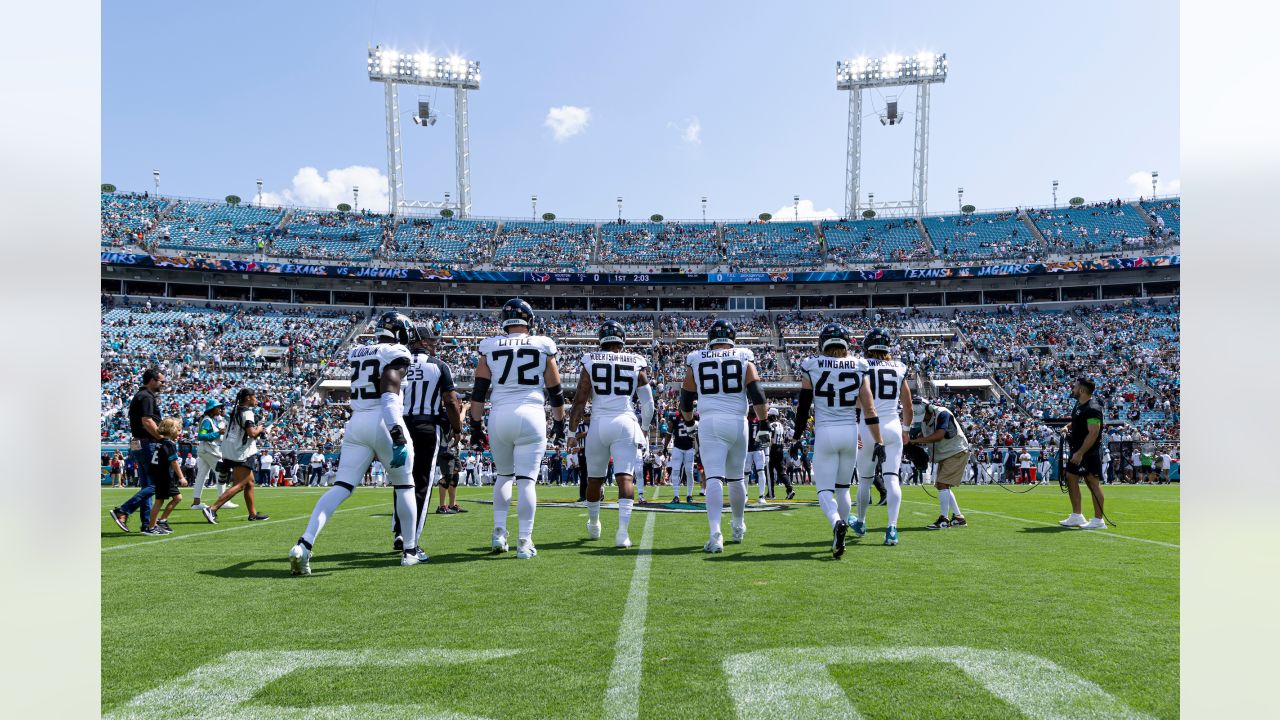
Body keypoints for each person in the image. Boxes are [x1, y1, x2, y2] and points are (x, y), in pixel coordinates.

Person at [289, 311, 423, 575]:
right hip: (384, 420)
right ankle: (410, 550)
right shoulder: (396, 352)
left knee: (341, 487)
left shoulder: (358, 351)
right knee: (405, 485)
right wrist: (397, 432)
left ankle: (305, 543)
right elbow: (390, 392)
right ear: (401, 332)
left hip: (357, 421)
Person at [468, 299, 565, 559]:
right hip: (531, 413)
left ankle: (499, 533)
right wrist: (559, 422)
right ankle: (524, 541)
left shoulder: (490, 346)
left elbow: (478, 392)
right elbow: (555, 391)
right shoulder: (542, 344)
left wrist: (475, 426)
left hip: (500, 414)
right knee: (526, 482)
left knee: (503, 476)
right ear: (529, 321)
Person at [679, 319, 771, 552]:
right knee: (737, 478)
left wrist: (690, 424)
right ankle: (738, 526)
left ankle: (715, 534)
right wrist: (763, 423)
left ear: (710, 339)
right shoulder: (743, 356)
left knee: (713, 479)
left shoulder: (697, 357)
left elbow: (686, 400)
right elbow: (757, 393)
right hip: (737, 422)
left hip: (710, 421)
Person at [793, 324, 883, 558]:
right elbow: (870, 408)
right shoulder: (859, 365)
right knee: (843, 489)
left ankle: (836, 523)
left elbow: (803, 407)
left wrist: (796, 436)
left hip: (825, 432)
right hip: (850, 432)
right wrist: (879, 441)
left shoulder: (811, 364)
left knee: (824, 491)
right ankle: (840, 528)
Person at [567, 320, 654, 548]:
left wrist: (571, 431)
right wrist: (644, 429)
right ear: (621, 340)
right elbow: (649, 405)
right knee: (625, 477)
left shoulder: (591, 360)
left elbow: (580, 399)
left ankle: (594, 523)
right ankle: (622, 534)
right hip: (625, 421)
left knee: (594, 478)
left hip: (598, 423)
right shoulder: (635, 361)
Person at [393, 321, 462, 546]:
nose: (435, 345)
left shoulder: (395, 364)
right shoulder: (438, 365)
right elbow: (450, 401)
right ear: (422, 342)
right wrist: (457, 428)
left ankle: (399, 531)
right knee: (421, 482)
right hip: (425, 427)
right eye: (432, 341)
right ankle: (411, 537)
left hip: (399, 427)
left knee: (403, 480)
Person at [852, 328, 911, 545]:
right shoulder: (899, 367)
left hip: (869, 426)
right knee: (892, 478)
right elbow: (908, 404)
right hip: (893, 424)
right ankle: (892, 528)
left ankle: (860, 521)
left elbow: (857, 401)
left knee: (865, 480)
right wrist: (906, 429)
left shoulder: (861, 365)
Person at [201, 388, 271, 523]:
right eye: (255, 396)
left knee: (250, 483)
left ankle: (253, 514)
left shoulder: (236, 410)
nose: (257, 399)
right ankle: (212, 508)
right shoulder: (247, 412)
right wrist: (261, 429)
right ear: (248, 398)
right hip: (241, 452)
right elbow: (252, 433)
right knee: (240, 484)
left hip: (230, 450)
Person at [109, 368, 166, 533]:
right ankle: (123, 510)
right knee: (156, 484)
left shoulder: (140, 396)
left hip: (138, 443)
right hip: (147, 443)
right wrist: (161, 438)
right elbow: (147, 421)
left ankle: (147, 525)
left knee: (147, 485)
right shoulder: (146, 397)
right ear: (152, 380)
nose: (163, 384)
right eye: (161, 381)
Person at [908, 396, 969, 530]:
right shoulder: (925, 418)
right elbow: (918, 434)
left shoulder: (943, 413)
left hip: (956, 451)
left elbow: (939, 435)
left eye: (923, 416)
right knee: (943, 485)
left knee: (942, 484)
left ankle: (943, 519)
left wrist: (914, 442)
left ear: (929, 409)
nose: (922, 419)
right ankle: (959, 518)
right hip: (947, 453)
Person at [1058, 378, 1108, 529]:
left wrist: (1080, 453)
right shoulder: (1079, 405)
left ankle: (1098, 520)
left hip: (1088, 452)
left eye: (1075, 387)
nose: (1072, 389)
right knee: (1070, 477)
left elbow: (1094, 433)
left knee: (1092, 482)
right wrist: (1067, 426)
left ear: (1081, 390)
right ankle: (1077, 516)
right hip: (1077, 449)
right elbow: (1078, 420)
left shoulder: (1093, 408)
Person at [142, 418, 189, 535]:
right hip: (164, 476)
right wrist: (181, 477)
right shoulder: (169, 444)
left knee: (177, 498)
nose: (179, 432)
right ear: (172, 430)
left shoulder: (161, 441)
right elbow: (174, 462)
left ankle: (162, 521)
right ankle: (151, 527)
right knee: (159, 501)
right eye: (178, 430)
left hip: (161, 475)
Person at [190, 399, 226, 509]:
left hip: (206, 450)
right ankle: (222, 501)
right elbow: (201, 436)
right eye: (218, 407)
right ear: (212, 409)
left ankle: (196, 503)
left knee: (201, 476)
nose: (220, 409)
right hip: (209, 450)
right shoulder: (207, 421)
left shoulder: (210, 420)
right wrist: (218, 433)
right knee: (221, 473)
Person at [667, 411, 698, 503]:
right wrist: (665, 446)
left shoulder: (694, 415)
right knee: (675, 471)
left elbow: (698, 433)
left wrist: (698, 448)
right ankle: (676, 496)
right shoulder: (674, 416)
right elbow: (669, 432)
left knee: (689, 472)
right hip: (677, 448)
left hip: (689, 448)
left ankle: (689, 495)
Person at [766, 408, 794, 500]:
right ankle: (790, 489)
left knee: (769, 472)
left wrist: (768, 452)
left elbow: (770, 439)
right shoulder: (781, 425)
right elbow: (782, 439)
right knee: (781, 472)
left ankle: (771, 493)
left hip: (772, 449)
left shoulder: (770, 425)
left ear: (771, 415)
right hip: (780, 449)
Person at [746, 408, 769, 503]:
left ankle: (761, 496)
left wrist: (767, 453)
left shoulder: (761, 421)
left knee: (761, 472)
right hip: (747, 450)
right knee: (746, 474)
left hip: (758, 449)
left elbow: (766, 437)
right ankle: (745, 495)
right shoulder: (745, 419)